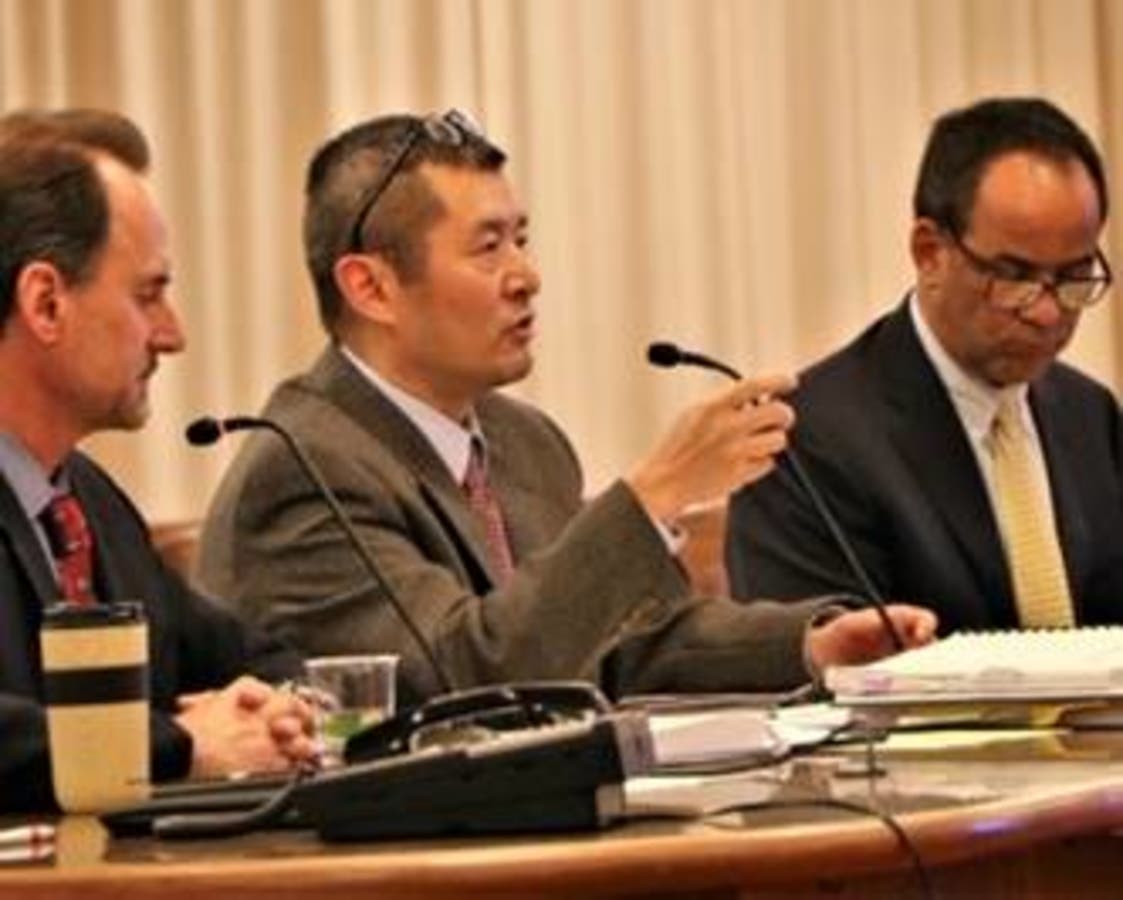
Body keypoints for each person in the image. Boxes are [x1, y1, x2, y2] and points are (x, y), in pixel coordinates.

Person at [196, 110, 934, 706]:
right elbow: (460, 681)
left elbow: (615, 650)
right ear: (371, 288)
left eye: (521, 239)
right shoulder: (302, 467)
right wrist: (654, 494)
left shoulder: (524, 441)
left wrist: (807, 647)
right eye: (488, 248)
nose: (527, 276)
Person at [0, 109, 315, 813]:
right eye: (148, 294)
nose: (172, 335)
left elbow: (245, 657)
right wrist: (179, 746)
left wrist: (278, 712)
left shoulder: (86, 501)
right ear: (45, 303)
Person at [727, 96, 1122, 633]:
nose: (1048, 312)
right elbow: (822, 667)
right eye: (1015, 276)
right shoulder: (804, 442)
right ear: (929, 251)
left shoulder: (1089, 413)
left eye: (1074, 276)